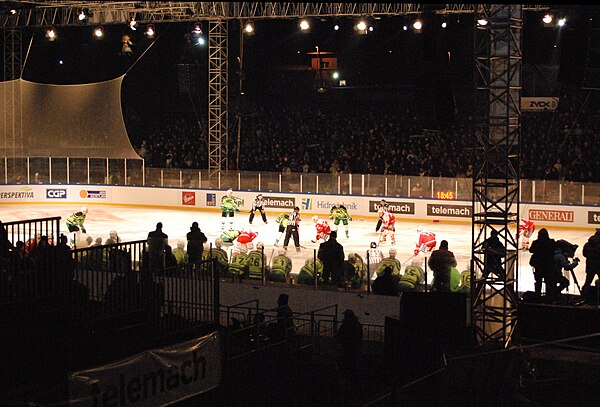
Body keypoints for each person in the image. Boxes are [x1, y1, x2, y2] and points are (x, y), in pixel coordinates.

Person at [336, 309, 363, 395]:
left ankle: (347, 388)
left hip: (347, 350)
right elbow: (360, 336)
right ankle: (354, 388)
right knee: (354, 369)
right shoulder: (357, 325)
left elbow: (339, 336)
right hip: (355, 350)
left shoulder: (345, 326)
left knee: (346, 369)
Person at [529, 228, 557, 300]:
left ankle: (537, 296)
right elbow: (555, 249)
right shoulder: (551, 242)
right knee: (548, 281)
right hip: (549, 265)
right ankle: (548, 297)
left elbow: (531, 250)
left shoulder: (536, 242)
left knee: (538, 281)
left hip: (539, 265)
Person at [582, 229, 600, 301]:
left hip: (590, 266)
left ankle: (584, 296)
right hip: (598, 266)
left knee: (588, 281)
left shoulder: (587, 244)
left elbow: (584, 254)